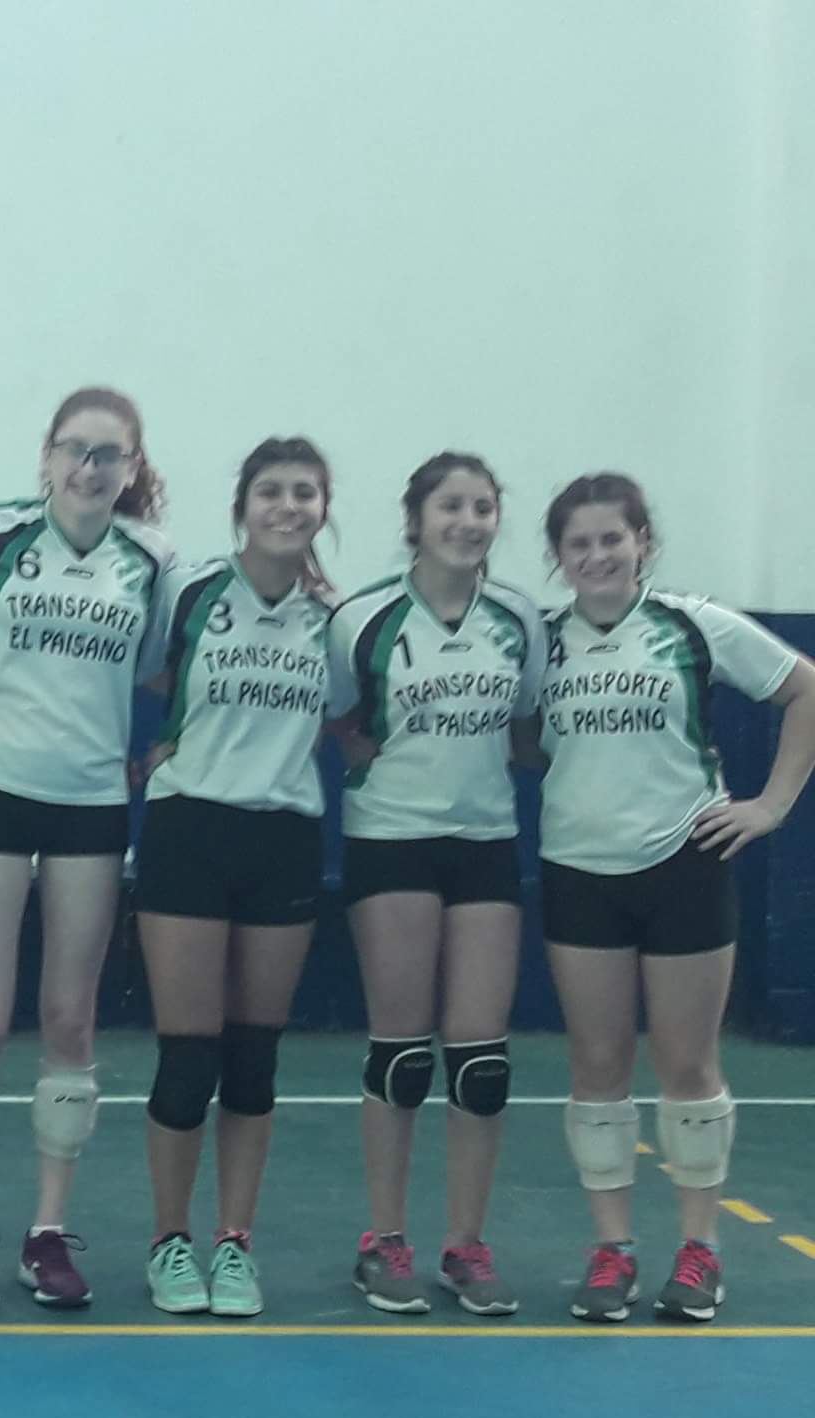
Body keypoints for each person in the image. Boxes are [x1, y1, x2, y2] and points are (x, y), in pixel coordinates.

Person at [534, 474, 814, 1324]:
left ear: (642, 542)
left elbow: (804, 687)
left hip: (684, 866)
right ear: (558, 558)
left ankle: (700, 1250)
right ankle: (612, 1250)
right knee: (597, 1067)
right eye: (579, 544)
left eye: (611, 539)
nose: (597, 556)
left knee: (688, 1065)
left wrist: (771, 806)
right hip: (579, 871)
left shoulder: (693, 624)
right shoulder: (539, 643)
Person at [0, 387, 172, 1311]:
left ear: (132, 468)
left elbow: (168, 667)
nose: (91, 468)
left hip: (90, 802)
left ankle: (46, 1232)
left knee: (70, 1022)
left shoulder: (152, 561)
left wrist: (170, 743)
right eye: (77, 449)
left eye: (111, 454)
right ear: (46, 455)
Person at [327, 453, 543, 1316]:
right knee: (403, 1054)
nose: (468, 521)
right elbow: (332, 712)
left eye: (483, 507)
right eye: (450, 506)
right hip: (392, 840)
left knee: (482, 1062)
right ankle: (383, 1241)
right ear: (416, 519)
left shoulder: (519, 619)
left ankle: (466, 1245)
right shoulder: (363, 618)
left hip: (485, 841)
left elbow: (528, 732)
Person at [135, 437, 333, 1319]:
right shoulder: (189, 593)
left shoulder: (337, 620)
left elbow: (354, 719)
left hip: (283, 835)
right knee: (188, 1057)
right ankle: (170, 1241)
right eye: (271, 491)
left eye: (305, 493)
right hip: (189, 829)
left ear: (323, 509)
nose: (287, 506)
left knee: (254, 1060)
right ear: (242, 506)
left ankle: (234, 1241)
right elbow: (143, 669)